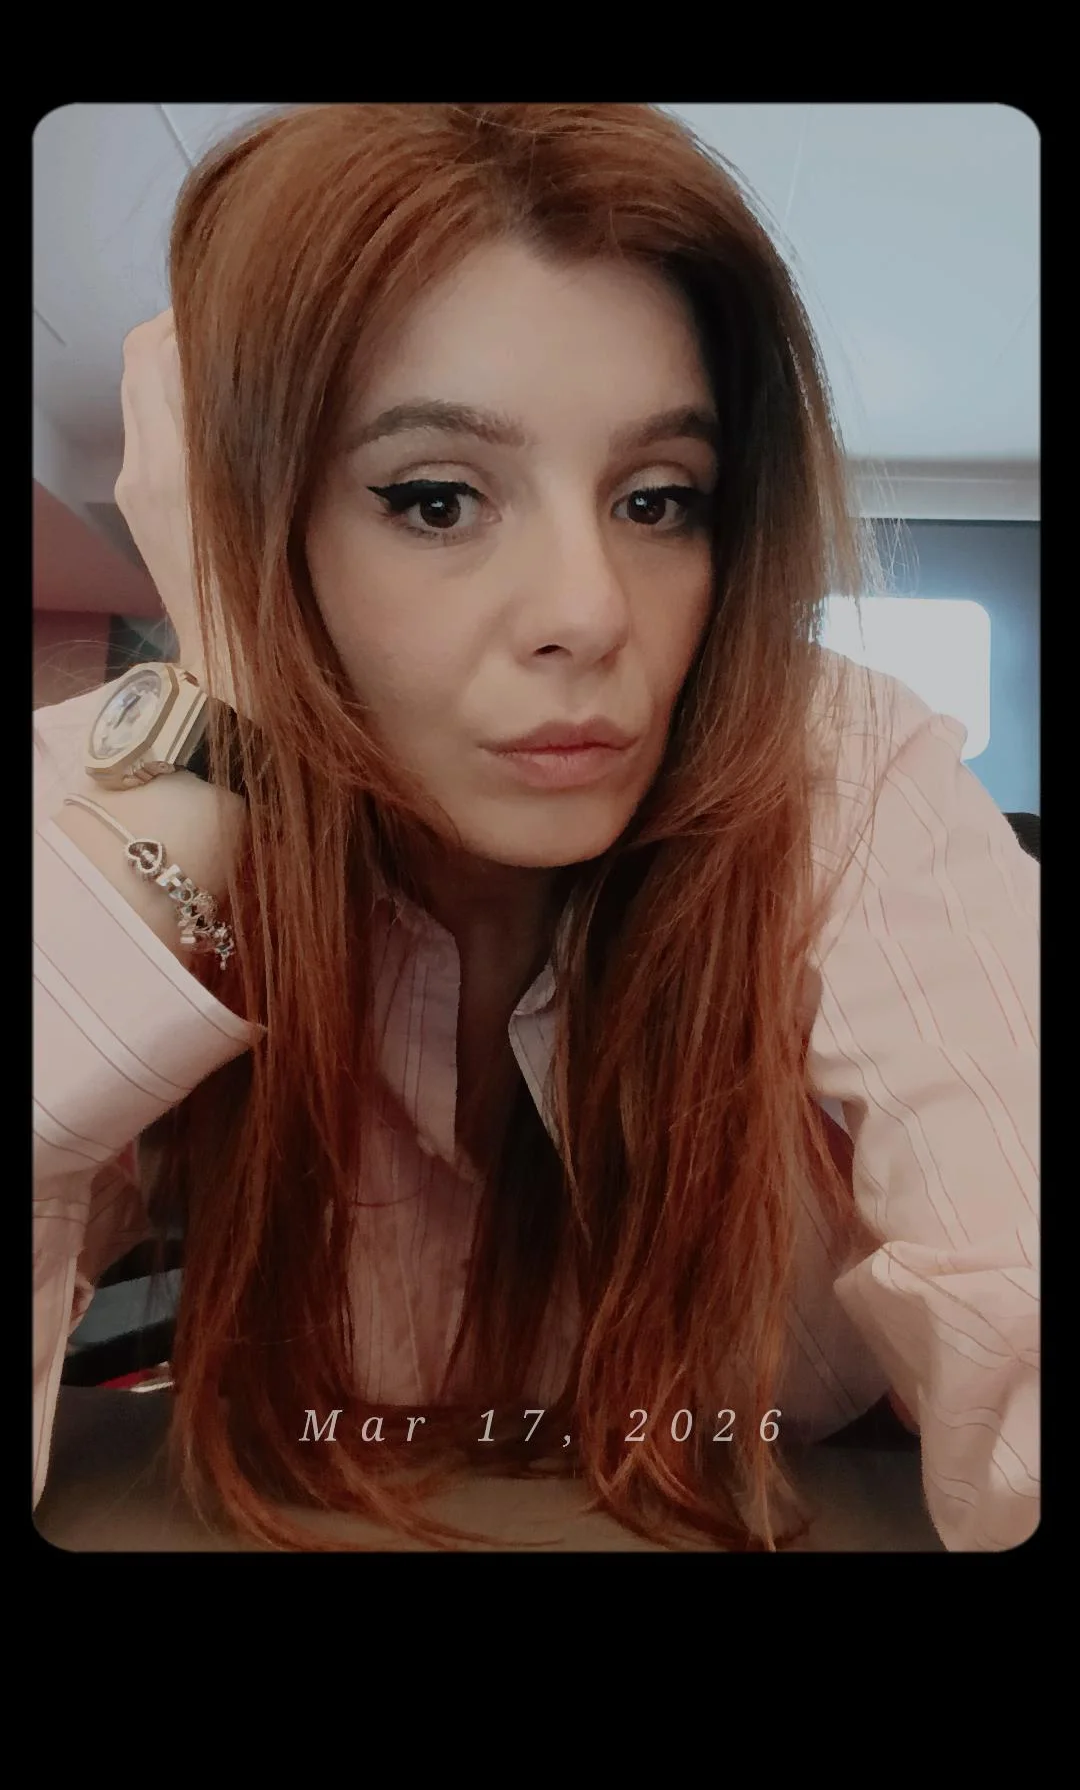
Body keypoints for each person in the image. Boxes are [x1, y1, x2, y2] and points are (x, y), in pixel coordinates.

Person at [33, 103, 1039, 1552]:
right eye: (436, 499)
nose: (589, 611)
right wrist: (225, 721)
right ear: (247, 520)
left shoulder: (834, 763)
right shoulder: (120, 797)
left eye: (658, 500)